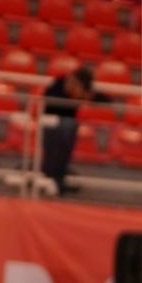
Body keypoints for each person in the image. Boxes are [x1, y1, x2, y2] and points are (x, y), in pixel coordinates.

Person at [39, 66, 99, 197]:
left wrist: (84, 96)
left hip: (68, 128)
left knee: (68, 128)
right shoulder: (59, 82)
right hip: (50, 121)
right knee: (61, 132)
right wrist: (68, 93)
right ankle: (48, 176)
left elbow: (105, 100)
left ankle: (58, 179)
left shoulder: (83, 90)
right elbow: (47, 98)